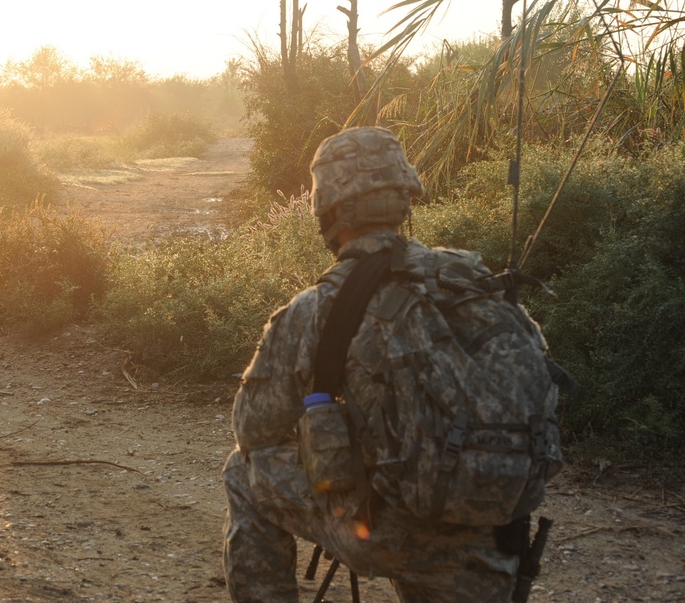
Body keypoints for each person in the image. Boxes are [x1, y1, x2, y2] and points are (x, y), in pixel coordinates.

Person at [222, 127, 529, 602]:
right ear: (406, 197)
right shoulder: (474, 284)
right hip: (491, 541)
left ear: (328, 211)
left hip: (385, 531)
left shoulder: (316, 308)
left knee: (243, 473)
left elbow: (253, 431)